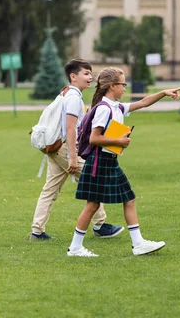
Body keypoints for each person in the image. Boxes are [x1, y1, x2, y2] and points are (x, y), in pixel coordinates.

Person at [67, 67, 180, 257]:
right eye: (123, 84)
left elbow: (144, 103)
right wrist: (118, 141)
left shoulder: (117, 106)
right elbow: (94, 139)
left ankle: (138, 244)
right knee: (93, 205)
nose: (125, 88)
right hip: (100, 161)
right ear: (112, 86)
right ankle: (75, 248)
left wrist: (163, 93)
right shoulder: (104, 109)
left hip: (109, 161)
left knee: (128, 198)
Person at [30, 59, 123, 241]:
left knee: (50, 189)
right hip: (65, 148)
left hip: (54, 147)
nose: (90, 77)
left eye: (90, 73)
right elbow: (70, 128)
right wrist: (73, 157)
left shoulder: (68, 94)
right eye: (86, 74)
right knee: (94, 180)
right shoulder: (73, 98)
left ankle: (37, 231)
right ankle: (100, 225)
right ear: (73, 77)